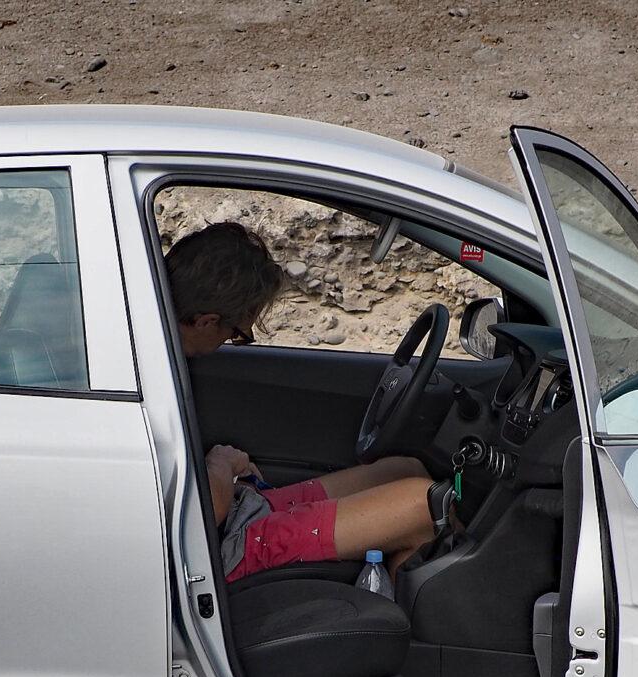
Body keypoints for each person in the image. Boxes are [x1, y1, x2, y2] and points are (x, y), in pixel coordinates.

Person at [165, 222, 449, 582]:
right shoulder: (141, 366)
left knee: (405, 469)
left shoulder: (161, 354)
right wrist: (220, 461)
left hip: (235, 510)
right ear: (207, 321)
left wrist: (223, 472)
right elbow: (205, 510)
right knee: (426, 505)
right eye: (236, 334)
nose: (228, 343)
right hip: (216, 546)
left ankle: (396, 602)